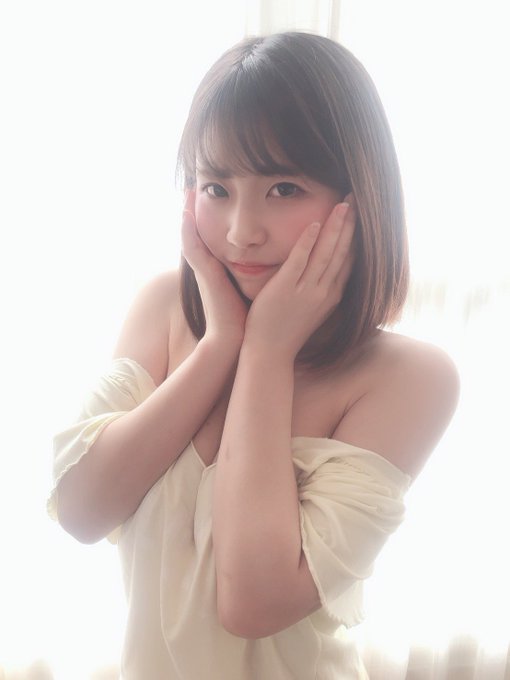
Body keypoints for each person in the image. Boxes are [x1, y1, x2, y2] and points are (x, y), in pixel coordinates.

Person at [47, 31, 459, 679]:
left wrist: (266, 352)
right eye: (216, 187)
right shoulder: (163, 308)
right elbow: (80, 512)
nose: (242, 232)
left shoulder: (408, 378)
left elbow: (253, 602)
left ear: (360, 199)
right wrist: (221, 345)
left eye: (284, 188)